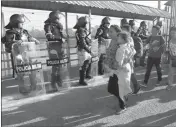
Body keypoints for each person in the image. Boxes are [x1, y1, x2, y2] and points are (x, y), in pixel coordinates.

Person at [1, 14, 40, 95]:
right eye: (21, 23)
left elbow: (30, 38)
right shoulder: (10, 33)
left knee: (32, 71)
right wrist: (15, 42)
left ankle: (33, 87)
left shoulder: (25, 31)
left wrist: (34, 40)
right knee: (20, 73)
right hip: (18, 56)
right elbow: (8, 44)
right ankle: (22, 90)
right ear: (16, 23)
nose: (23, 24)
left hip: (28, 55)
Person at [44, 10, 67, 92]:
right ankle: (53, 84)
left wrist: (62, 33)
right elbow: (49, 37)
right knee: (55, 67)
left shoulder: (59, 26)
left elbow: (65, 36)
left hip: (60, 48)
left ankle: (59, 81)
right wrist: (60, 38)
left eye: (59, 19)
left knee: (61, 66)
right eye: (57, 19)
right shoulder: (48, 26)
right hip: (53, 49)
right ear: (54, 18)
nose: (58, 21)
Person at [114, 31, 136, 114]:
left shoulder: (121, 49)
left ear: (123, 40)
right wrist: (128, 59)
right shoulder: (129, 46)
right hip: (128, 68)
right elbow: (134, 52)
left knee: (121, 88)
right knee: (124, 85)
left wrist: (115, 69)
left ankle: (122, 107)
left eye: (119, 37)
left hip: (122, 69)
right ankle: (125, 98)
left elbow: (119, 63)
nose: (117, 39)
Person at [73, 16, 95, 86]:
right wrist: (90, 51)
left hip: (85, 49)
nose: (87, 24)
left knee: (88, 62)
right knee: (83, 65)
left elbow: (85, 40)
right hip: (83, 50)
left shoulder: (82, 30)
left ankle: (87, 75)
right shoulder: (81, 30)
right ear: (84, 23)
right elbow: (82, 43)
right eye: (86, 23)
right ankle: (81, 80)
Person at [121, 24, 141, 94]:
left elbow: (130, 49)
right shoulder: (126, 37)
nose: (121, 31)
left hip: (128, 59)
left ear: (127, 31)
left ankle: (135, 86)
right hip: (125, 58)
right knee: (128, 74)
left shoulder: (129, 38)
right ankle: (135, 86)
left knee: (129, 74)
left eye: (123, 29)